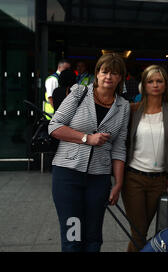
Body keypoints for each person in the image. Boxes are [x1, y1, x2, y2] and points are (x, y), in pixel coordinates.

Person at [48, 52, 130, 252]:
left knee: (93, 238)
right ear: (97, 73)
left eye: (114, 73)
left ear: (120, 78)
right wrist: (87, 138)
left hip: (99, 179)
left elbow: (119, 146)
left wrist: (118, 183)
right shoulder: (79, 92)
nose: (108, 77)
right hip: (68, 176)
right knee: (73, 236)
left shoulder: (123, 106)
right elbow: (54, 126)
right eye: (104, 72)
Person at [121, 65, 168, 252]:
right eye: (150, 81)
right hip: (133, 179)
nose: (155, 85)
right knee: (138, 232)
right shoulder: (133, 110)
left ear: (165, 84)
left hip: (158, 180)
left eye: (159, 81)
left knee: (144, 230)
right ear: (143, 85)